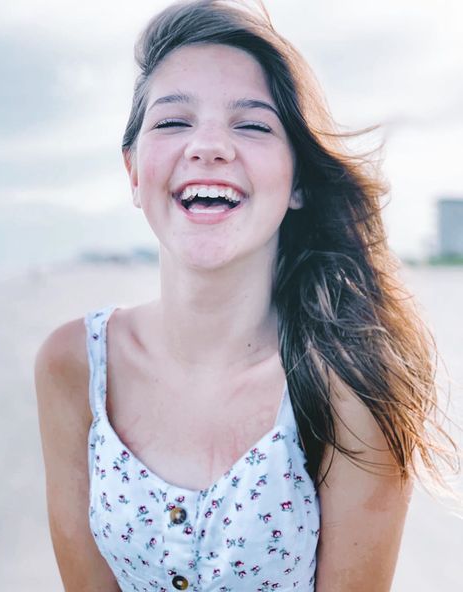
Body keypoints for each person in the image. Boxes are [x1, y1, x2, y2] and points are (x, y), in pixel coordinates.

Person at [34, 1, 458, 590]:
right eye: (172, 121)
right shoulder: (74, 364)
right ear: (134, 172)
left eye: (253, 125)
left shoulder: (348, 387)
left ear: (299, 182)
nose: (208, 146)